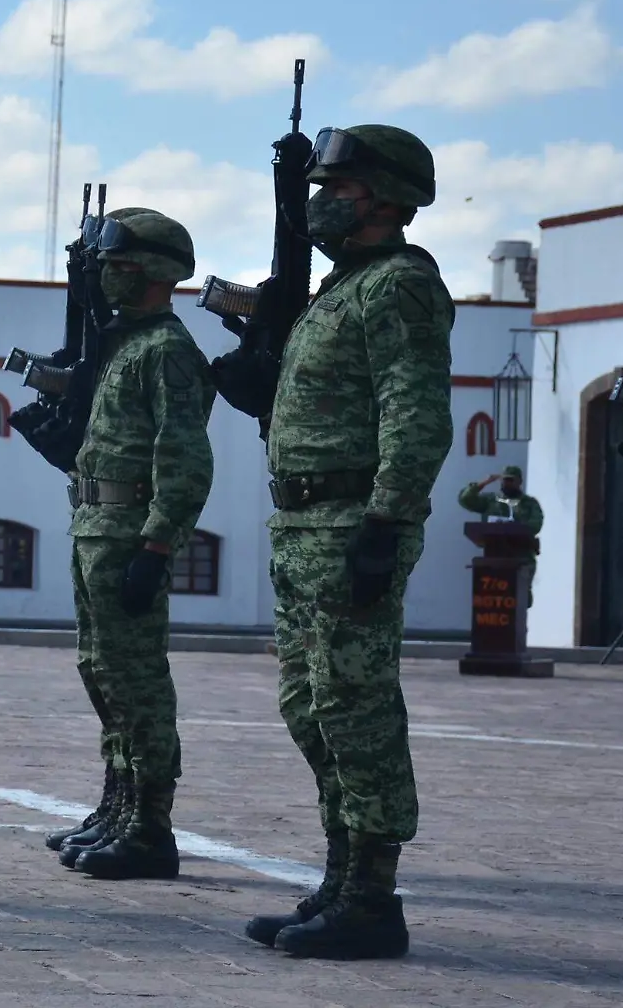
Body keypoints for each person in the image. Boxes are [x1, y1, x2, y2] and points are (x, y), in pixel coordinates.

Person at [222, 125, 453, 960]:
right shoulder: (337, 290)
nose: (324, 201)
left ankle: (372, 898)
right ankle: (339, 876)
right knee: (310, 707)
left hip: (354, 521)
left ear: (387, 197)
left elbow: (415, 412)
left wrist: (387, 526)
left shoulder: (397, 286)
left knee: (356, 711)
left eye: (339, 187)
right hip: (302, 525)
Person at [54, 209, 213, 882]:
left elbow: (184, 461)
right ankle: (118, 806)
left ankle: (150, 826)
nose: (108, 277)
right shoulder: (121, 344)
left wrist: (156, 547)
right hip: (94, 528)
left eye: (119, 265)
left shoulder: (167, 352)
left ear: (153, 272)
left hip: (128, 535)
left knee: (139, 683)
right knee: (103, 672)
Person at [457, 464, 544, 605]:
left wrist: (516, 528)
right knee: (493, 598)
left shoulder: (529, 503)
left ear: (519, 482)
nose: (507, 483)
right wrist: (485, 483)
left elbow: (536, 524)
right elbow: (466, 500)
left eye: (511, 480)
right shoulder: (492, 500)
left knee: (520, 599)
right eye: (504, 480)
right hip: (495, 555)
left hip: (521, 556)